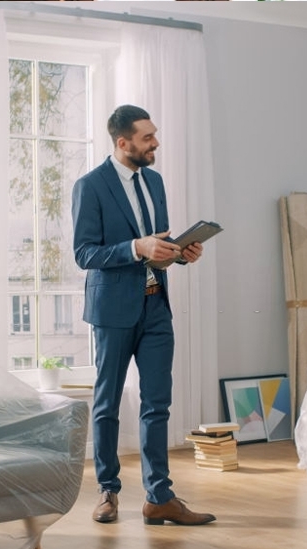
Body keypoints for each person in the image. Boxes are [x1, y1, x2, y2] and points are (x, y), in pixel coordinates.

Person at [71, 104, 215, 526]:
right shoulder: (90, 186)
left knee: (157, 404)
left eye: (154, 135)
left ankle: (159, 496)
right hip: (112, 310)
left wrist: (181, 253)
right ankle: (108, 492)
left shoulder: (154, 181)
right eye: (148, 137)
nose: (156, 143)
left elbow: (161, 245)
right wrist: (137, 248)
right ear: (123, 142)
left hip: (156, 307)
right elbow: (84, 253)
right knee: (107, 403)